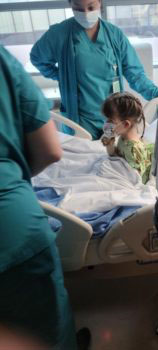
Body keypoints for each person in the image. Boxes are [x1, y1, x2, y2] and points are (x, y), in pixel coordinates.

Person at [0, 45, 90, 350]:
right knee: (50, 335)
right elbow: (51, 149)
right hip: (18, 230)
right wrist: (17, 179)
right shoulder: (3, 61)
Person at [30, 0, 158, 140]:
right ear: (71, 5)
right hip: (80, 122)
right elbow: (37, 58)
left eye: (91, 7)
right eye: (78, 9)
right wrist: (63, 76)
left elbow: (135, 75)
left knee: (114, 157)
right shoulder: (59, 34)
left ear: (100, 2)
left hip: (114, 117)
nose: (86, 13)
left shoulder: (114, 35)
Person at [101, 92, 154, 185]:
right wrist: (110, 145)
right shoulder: (123, 137)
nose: (106, 123)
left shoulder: (133, 149)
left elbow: (137, 179)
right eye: (107, 119)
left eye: (111, 121)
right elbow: (117, 155)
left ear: (126, 124)